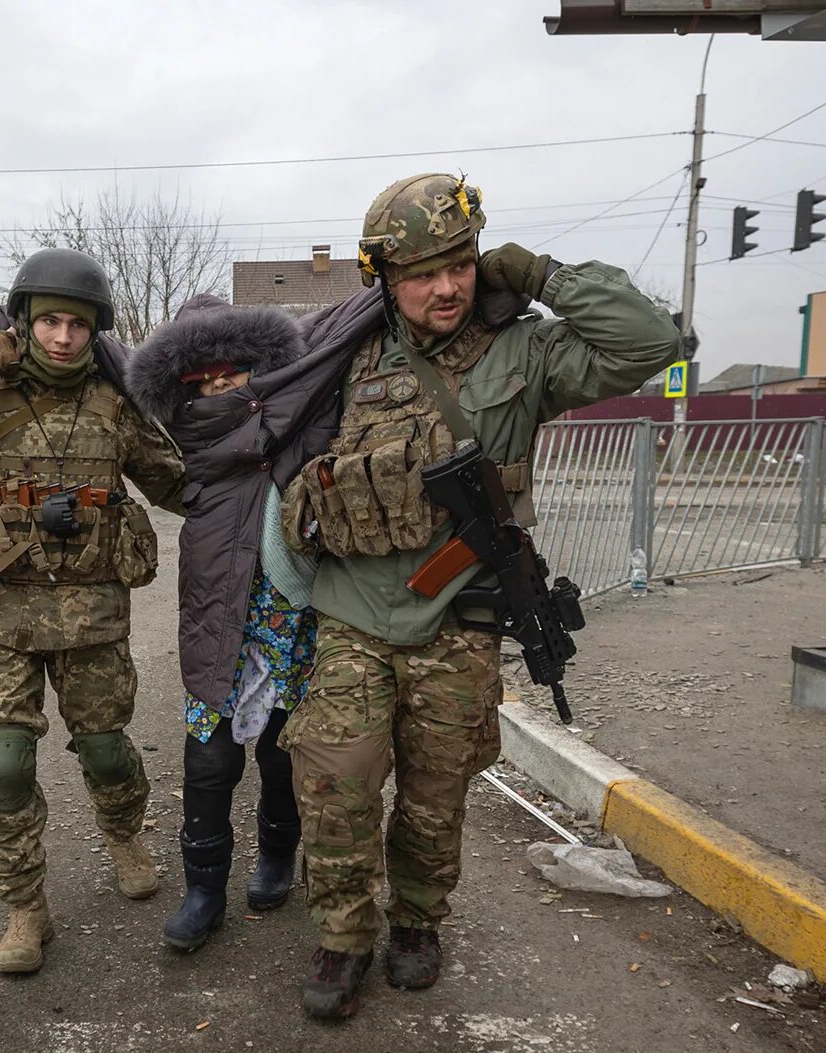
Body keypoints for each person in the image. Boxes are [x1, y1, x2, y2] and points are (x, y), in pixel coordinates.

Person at [280, 173, 684, 1019]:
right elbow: (269, 442)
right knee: (335, 785)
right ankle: (344, 934)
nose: (447, 286)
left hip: (458, 616)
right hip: (352, 612)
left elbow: (650, 341)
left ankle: (419, 922)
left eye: (461, 263)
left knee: (436, 794)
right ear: (386, 278)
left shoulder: (524, 352)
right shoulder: (344, 354)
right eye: (423, 271)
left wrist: (537, 272)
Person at [0, 248, 186, 975]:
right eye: (47, 320)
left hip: (90, 616)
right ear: (20, 322)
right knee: (6, 761)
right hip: (1, 616)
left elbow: (177, 480)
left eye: (76, 325)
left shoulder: (117, 400)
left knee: (109, 750)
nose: (60, 337)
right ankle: (26, 906)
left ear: (95, 331)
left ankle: (123, 834)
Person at [127, 295, 335, 951]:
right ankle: (204, 891)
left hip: (287, 621)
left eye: (232, 372)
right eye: (203, 379)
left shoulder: (296, 428)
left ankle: (276, 855)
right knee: (210, 760)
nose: (220, 387)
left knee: (280, 751)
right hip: (217, 622)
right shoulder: (189, 451)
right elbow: (108, 365)